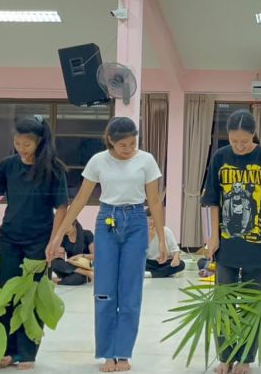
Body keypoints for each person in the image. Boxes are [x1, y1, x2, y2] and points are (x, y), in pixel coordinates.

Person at [48, 116, 167, 373]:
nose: (128, 149)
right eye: (123, 145)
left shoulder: (146, 160)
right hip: (107, 221)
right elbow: (80, 199)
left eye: (133, 143)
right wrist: (58, 235)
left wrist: (160, 237)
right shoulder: (98, 161)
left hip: (136, 221)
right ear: (110, 141)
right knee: (104, 291)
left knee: (130, 292)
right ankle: (107, 354)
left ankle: (123, 352)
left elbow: (155, 202)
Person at [0, 116, 69, 370]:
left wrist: (54, 241)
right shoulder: (8, 166)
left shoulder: (53, 169)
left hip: (39, 241)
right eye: (17, 143)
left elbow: (62, 208)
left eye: (27, 144)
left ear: (39, 142)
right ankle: (7, 350)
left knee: (32, 297)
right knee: (7, 294)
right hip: (10, 239)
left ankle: (27, 353)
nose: (21, 148)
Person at [201, 109, 261, 374]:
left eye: (244, 141)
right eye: (234, 141)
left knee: (251, 301)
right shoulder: (220, 157)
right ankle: (225, 356)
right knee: (223, 301)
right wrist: (213, 236)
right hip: (226, 243)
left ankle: (246, 358)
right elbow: (212, 200)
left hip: (256, 243)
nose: (239, 146)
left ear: (253, 135)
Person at [50, 220, 95, 286]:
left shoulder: (87, 234)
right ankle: (87, 273)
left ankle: (59, 280)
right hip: (69, 267)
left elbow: (95, 256)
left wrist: (80, 256)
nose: (64, 229)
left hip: (82, 267)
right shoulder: (63, 237)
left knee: (77, 278)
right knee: (54, 262)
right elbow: (61, 258)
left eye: (66, 227)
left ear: (74, 224)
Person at [145, 208, 184, 278]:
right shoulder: (142, 233)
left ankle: (151, 274)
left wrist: (175, 259)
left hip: (164, 262)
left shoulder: (166, 230)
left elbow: (175, 249)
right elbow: (140, 253)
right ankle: (165, 273)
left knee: (181, 264)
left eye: (154, 219)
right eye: (149, 219)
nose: (152, 222)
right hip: (149, 262)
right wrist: (150, 238)